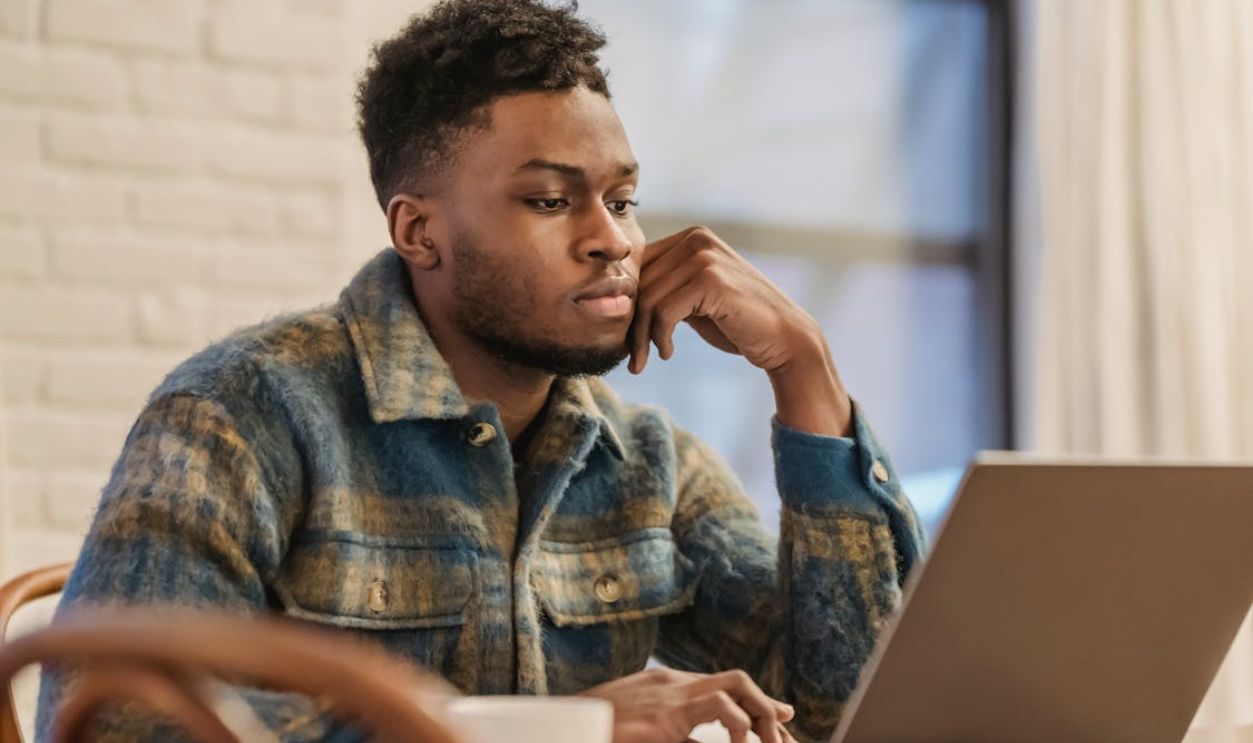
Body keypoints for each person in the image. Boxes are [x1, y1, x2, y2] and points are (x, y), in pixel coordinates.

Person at [36, 2, 924, 741]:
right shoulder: (242, 412)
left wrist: (804, 373)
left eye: (621, 200)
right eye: (549, 200)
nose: (612, 239)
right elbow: (114, 720)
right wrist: (556, 731)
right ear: (419, 232)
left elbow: (849, 709)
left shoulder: (647, 461)